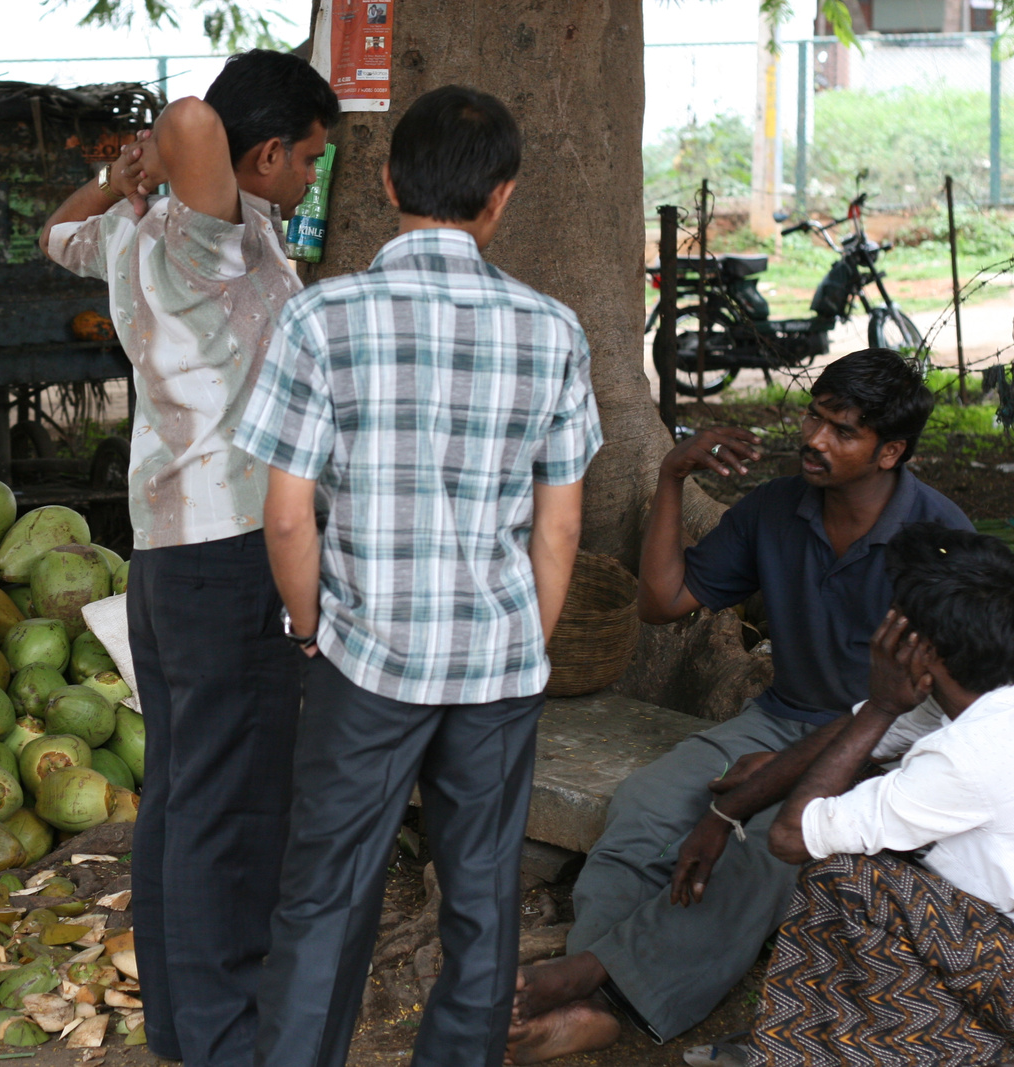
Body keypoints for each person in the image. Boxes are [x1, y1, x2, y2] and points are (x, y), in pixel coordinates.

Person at [237, 85, 599, 1067]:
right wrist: (524, 640)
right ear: (502, 198)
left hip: (364, 653)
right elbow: (558, 526)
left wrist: (312, 625)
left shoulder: (322, 319)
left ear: (390, 181)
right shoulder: (553, 330)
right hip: (498, 663)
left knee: (324, 893)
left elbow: (284, 513)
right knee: (480, 901)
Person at [508, 349, 975, 1063]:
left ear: (891, 451)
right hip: (777, 717)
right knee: (641, 806)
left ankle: (594, 983)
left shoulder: (939, 539)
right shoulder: (774, 508)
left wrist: (789, 771)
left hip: (883, 741)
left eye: (842, 430)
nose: (815, 439)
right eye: (814, 417)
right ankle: (596, 997)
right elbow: (661, 603)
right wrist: (672, 476)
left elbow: (940, 708)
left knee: (766, 847)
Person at [39, 50, 338, 1067]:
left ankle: (184, 1020)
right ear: (257, 153)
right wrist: (157, 152)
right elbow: (191, 121)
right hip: (230, 549)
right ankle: (222, 1037)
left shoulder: (133, 228)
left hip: (170, 553)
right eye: (303, 158)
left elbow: (54, 232)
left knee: (181, 795)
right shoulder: (197, 237)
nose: (308, 180)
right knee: (231, 805)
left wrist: (126, 174)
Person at [727, 523, 1014, 1067]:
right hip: (989, 937)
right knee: (863, 814)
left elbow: (792, 835)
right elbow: (843, 738)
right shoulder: (980, 699)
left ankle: (822, 1052)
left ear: (919, 648)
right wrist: (724, 814)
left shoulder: (966, 752)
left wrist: (884, 704)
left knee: (844, 875)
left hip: (1004, 965)